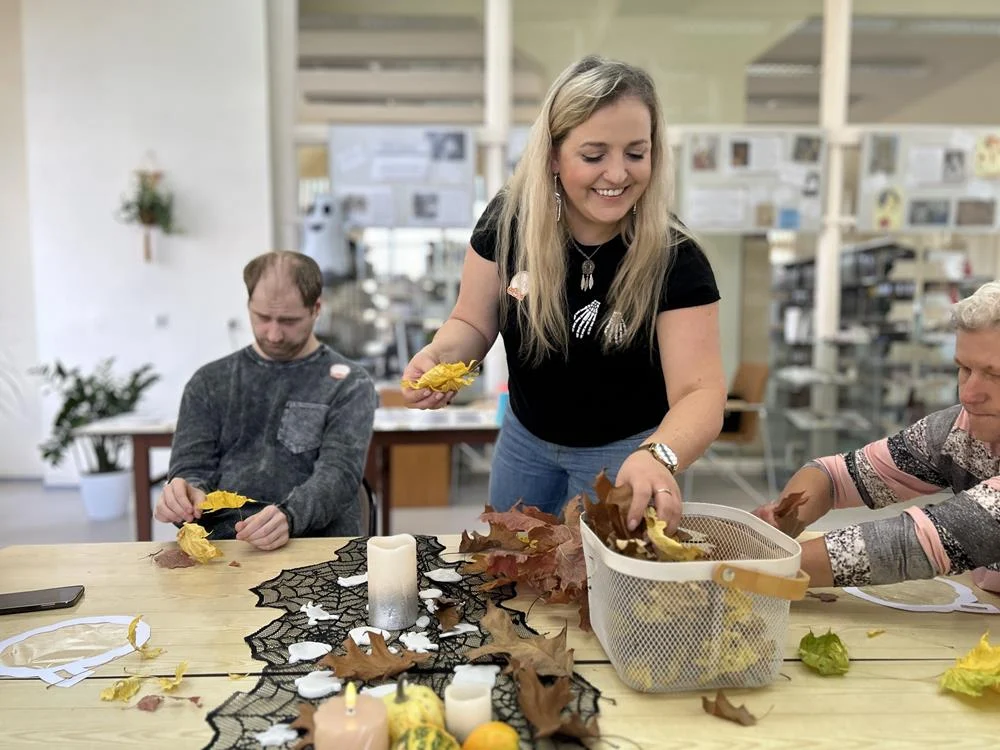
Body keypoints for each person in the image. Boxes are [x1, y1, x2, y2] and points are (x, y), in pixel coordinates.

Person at [401, 55, 726, 532]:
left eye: (636, 153)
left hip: (628, 450)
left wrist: (659, 455)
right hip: (525, 441)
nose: (617, 174)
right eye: (594, 156)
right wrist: (440, 356)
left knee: (607, 591)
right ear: (553, 155)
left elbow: (701, 393)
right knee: (511, 574)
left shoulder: (677, 257)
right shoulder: (507, 223)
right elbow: (472, 322)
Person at [755, 281, 1000, 592]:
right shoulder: (958, 430)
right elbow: (837, 475)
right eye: (965, 368)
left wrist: (759, 567)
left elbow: (918, 543)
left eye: (995, 375)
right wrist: (785, 517)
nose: (970, 393)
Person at [154, 251, 378, 550]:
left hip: (318, 546)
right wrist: (184, 495)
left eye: (288, 320)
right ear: (248, 306)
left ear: (316, 309)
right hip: (223, 548)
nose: (273, 334)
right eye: (262, 318)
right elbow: (192, 468)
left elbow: (338, 475)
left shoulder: (350, 383)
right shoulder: (208, 382)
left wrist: (290, 517)